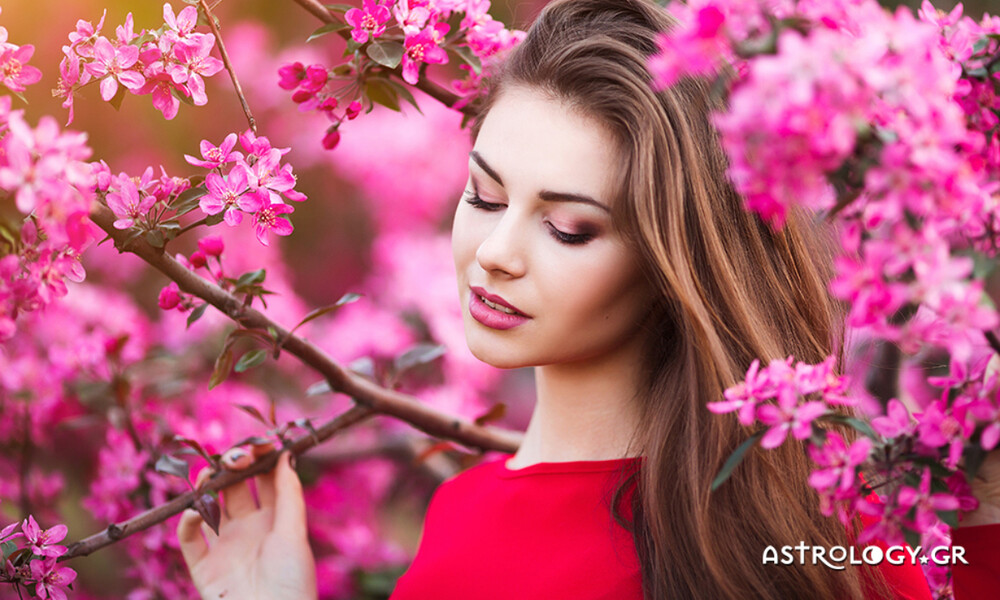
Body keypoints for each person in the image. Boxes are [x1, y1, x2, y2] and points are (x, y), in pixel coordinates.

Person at [177, 0, 1000, 598]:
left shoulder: (825, 531)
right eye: (485, 197)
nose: (495, 256)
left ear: (676, 263)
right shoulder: (462, 517)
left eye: (569, 228)